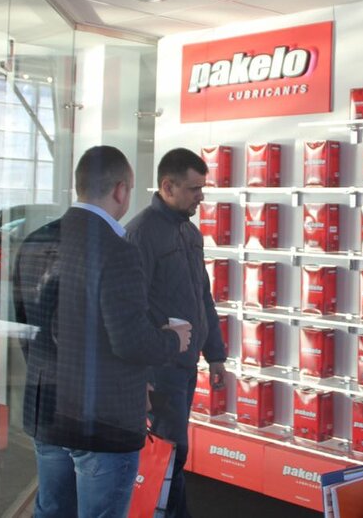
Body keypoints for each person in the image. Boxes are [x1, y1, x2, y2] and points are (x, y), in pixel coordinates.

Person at [13, 145, 192, 518]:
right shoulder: (117, 250)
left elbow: (30, 330)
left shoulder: (36, 241)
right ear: (121, 190)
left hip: (47, 410)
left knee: (52, 512)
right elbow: (130, 341)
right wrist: (174, 339)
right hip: (103, 422)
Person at [125, 148, 227, 518]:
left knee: (172, 453)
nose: (201, 196)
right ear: (168, 187)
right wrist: (140, 378)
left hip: (185, 366)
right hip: (159, 369)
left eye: (202, 188)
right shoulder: (140, 234)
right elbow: (131, 310)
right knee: (166, 454)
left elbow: (203, 297)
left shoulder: (190, 233)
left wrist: (216, 355)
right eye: (194, 189)